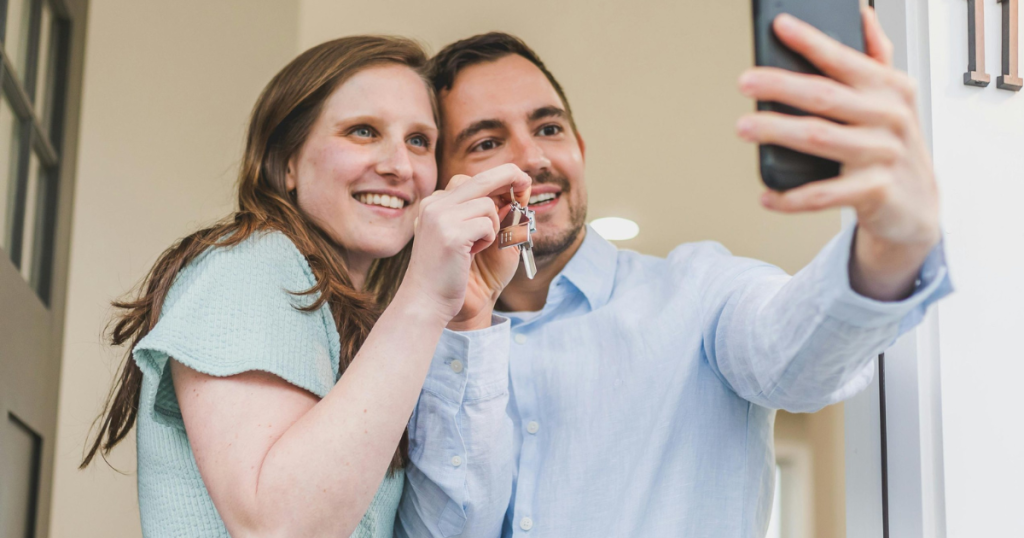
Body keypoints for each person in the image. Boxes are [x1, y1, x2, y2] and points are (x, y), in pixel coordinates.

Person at [396, 8, 952, 537]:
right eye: (488, 142)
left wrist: (888, 248)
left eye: (549, 129)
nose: (532, 158)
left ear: (580, 149)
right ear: (444, 183)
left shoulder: (701, 292)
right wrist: (464, 329)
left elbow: (796, 357)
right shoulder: (411, 348)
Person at [80, 36, 530, 537]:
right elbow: (280, 528)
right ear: (287, 161)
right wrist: (424, 298)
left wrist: (468, 315)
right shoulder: (251, 263)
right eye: (363, 131)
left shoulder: (369, 326)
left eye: (419, 141)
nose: (400, 166)